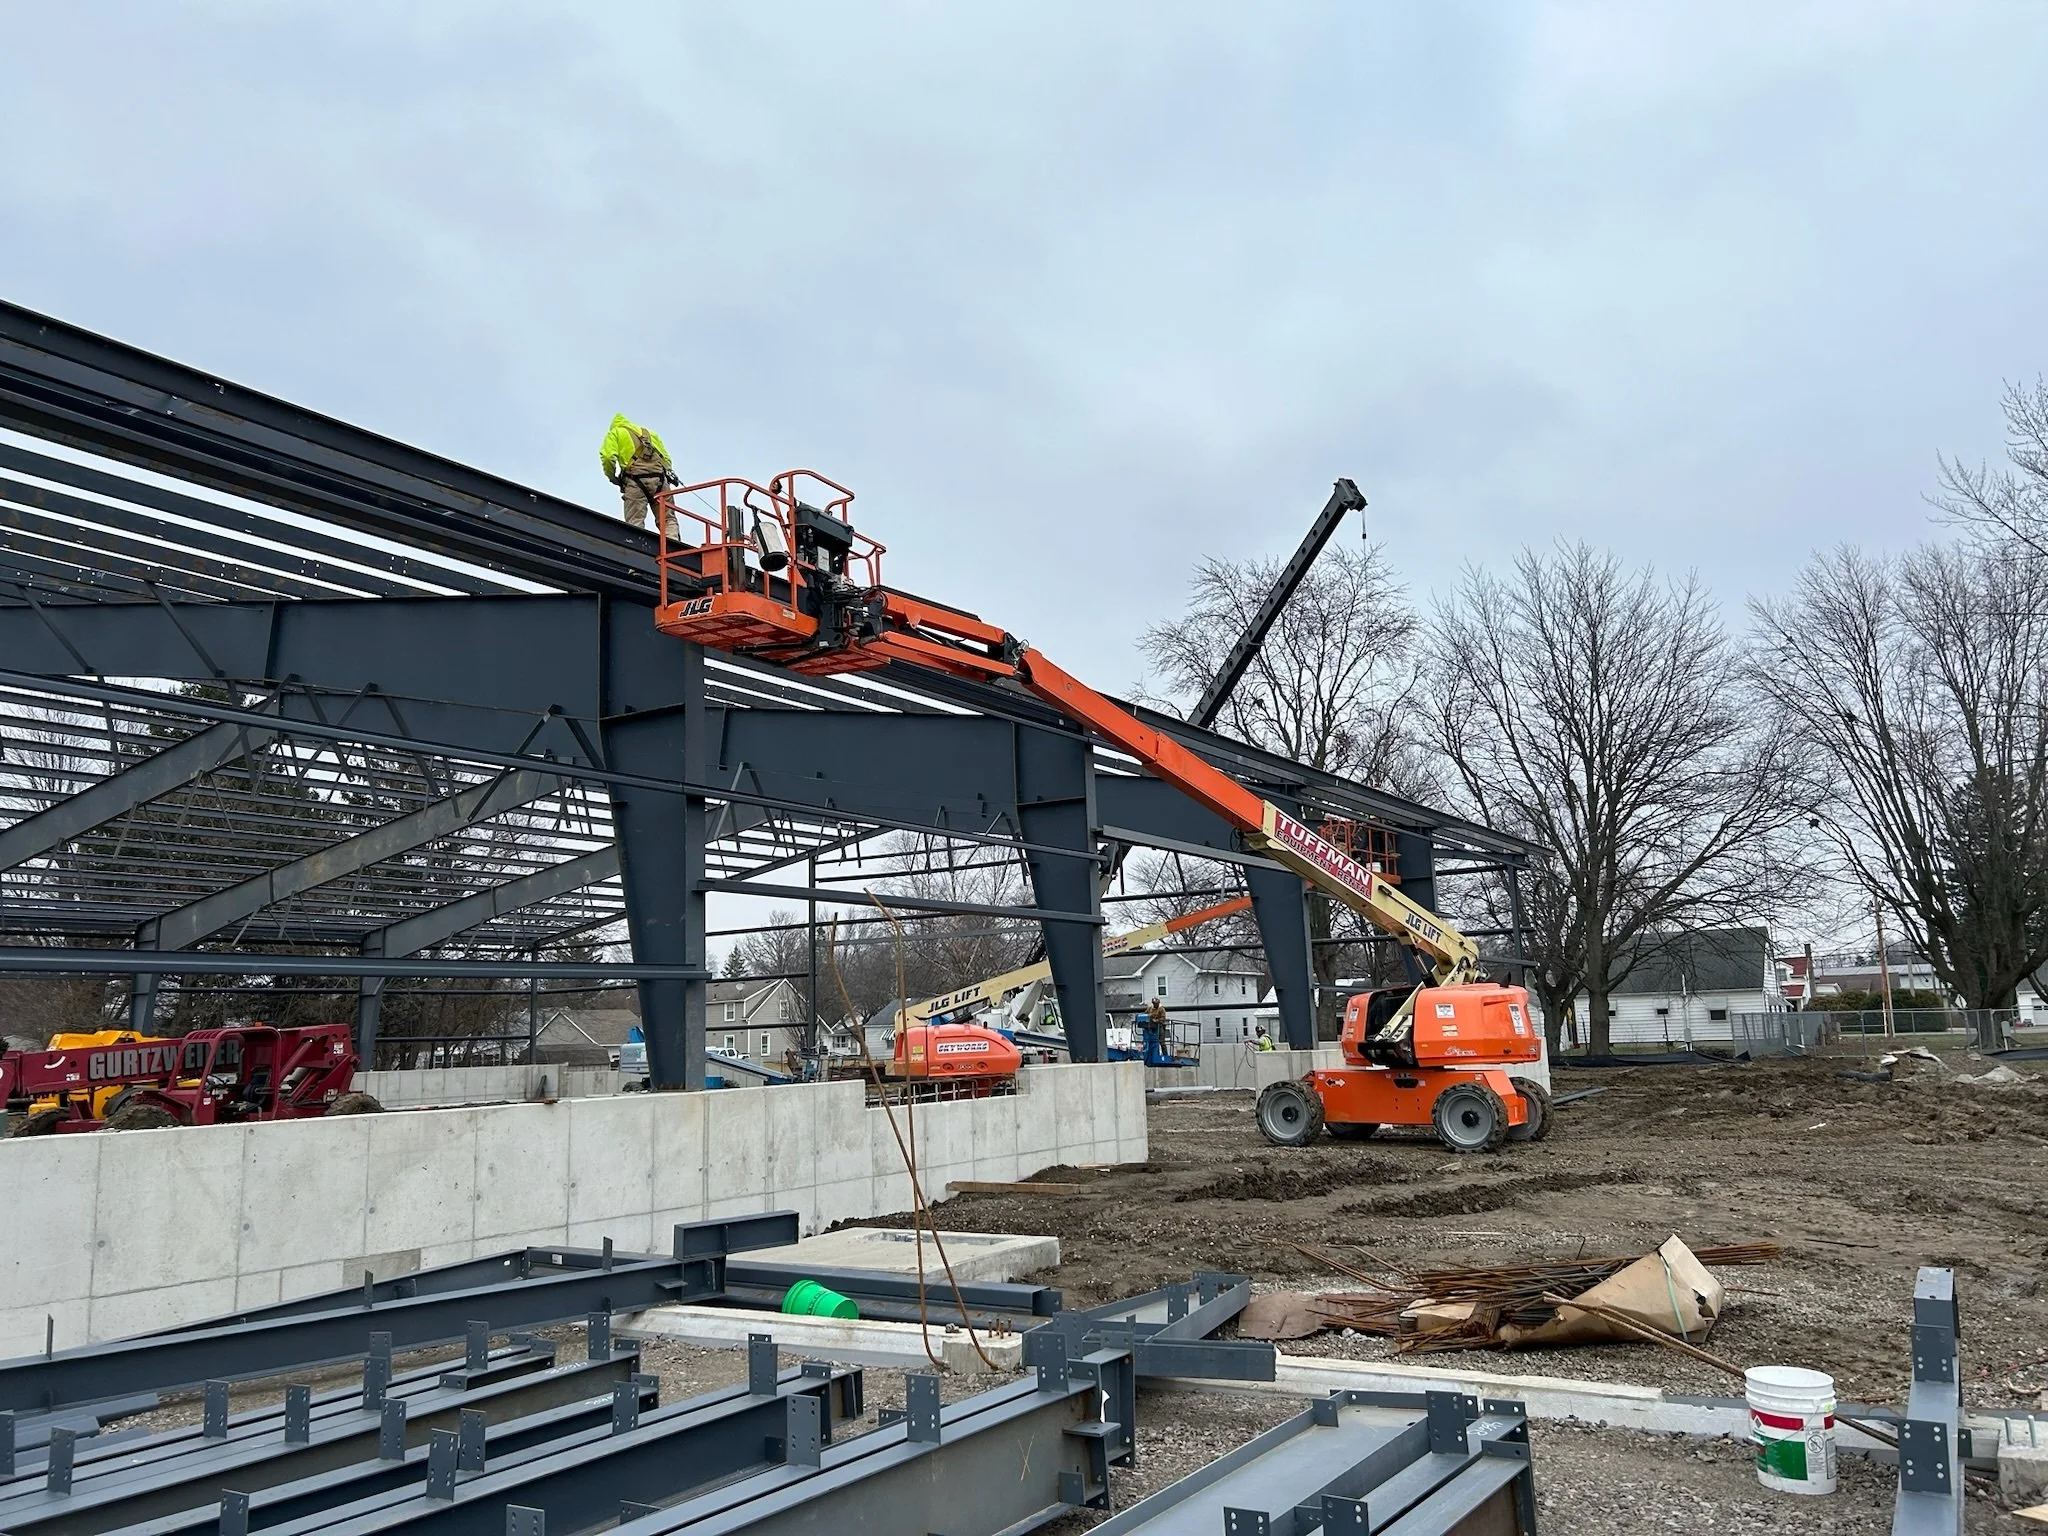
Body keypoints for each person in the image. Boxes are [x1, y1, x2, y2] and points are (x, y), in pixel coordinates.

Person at [599, 414, 678, 540]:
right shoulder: (650, 434)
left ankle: (636, 548)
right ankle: (673, 547)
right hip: (660, 480)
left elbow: (608, 457)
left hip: (635, 480)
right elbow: (667, 459)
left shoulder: (615, 433)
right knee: (668, 519)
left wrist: (612, 476)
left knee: (635, 521)